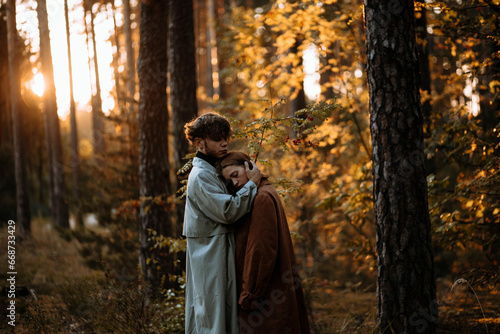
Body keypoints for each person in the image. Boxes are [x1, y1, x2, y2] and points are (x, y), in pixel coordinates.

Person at [183, 113, 262, 334]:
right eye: (217, 138)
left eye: (225, 137)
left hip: (218, 254)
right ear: (199, 143)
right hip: (209, 259)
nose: (225, 142)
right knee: (211, 319)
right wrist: (252, 185)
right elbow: (228, 211)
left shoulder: (214, 170)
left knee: (221, 318)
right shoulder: (200, 176)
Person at [217, 151, 311, 334]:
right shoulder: (265, 192)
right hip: (270, 292)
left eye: (235, 175)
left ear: (249, 166)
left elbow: (260, 251)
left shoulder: (261, 198)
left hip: (265, 297)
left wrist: (249, 295)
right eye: (230, 181)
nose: (235, 183)